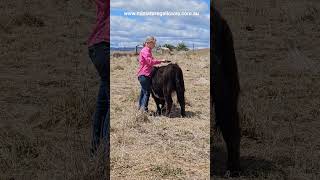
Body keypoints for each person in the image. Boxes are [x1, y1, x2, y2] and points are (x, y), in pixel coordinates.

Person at [87, 0, 109, 176]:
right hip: (104, 46)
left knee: (103, 105)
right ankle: (107, 155)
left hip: (97, 46)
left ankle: (96, 153)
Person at [137, 36, 167, 112]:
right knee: (147, 92)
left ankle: (140, 107)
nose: (154, 45)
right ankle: (144, 109)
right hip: (145, 74)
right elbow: (150, 62)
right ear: (149, 43)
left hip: (144, 74)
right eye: (153, 43)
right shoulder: (145, 51)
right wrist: (161, 61)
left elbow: (151, 60)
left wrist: (161, 61)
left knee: (143, 91)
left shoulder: (148, 50)